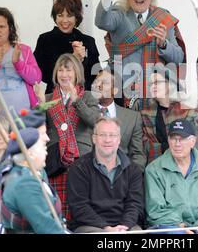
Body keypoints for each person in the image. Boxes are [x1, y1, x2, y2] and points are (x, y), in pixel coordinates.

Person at [95, 0, 186, 107]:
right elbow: (102, 21)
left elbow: (178, 58)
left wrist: (163, 44)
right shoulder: (119, 13)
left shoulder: (163, 17)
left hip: (157, 93)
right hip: (125, 91)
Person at [34, 53, 99, 221]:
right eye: (60, 70)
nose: (64, 75)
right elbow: (38, 130)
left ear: (77, 73)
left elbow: (95, 122)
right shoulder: (48, 98)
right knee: (58, 210)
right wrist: (40, 106)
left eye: (68, 70)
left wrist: (77, 100)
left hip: (81, 158)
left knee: (81, 207)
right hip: (55, 160)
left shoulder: (88, 96)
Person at [67, 117, 144, 233]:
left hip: (126, 227)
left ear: (119, 139)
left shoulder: (133, 170)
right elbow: (79, 206)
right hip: (90, 226)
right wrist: (106, 228)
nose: (107, 140)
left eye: (112, 135)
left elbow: (135, 204)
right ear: (94, 138)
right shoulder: (78, 168)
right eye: (102, 135)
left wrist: (124, 226)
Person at [145, 119, 198, 234]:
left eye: (182, 139)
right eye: (173, 138)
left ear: (193, 141)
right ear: (168, 140)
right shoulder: (153, 169)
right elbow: (155, 210)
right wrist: (180, 225)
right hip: (169, 225)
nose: (177, 144)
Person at [0, 127, 67, 234]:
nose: (47, 153)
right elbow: (46, 228)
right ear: (30, 154)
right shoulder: (24, 184)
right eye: (44, 148)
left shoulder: (25, 174)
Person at [34, 0, 100, 93]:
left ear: (76, 17)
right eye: (60, 15)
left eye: (69, 16)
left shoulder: (88, 41)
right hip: (54, 97)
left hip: (83, 98)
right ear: (55, 17)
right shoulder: (45, 39)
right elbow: (41, 75)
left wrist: (82, 61)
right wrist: (73, 59)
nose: (64, 20)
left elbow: (95, 75)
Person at [91, 69, 146, 170]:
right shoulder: (84, 112)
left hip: (122, 178)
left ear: (115, 90)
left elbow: (137, 154)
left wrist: (130, 178)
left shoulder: (132, 118)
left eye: (105, 82)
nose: (99, 85)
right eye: (96, 81)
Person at [139, 68, 197, 163]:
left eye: (157, 82)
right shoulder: (144, 111)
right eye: (151, 84)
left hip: (182, 163)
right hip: (154, 163)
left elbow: (191, 141)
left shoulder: (186, 111)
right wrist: (161, 147)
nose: (153, 86)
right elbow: (141, 139)